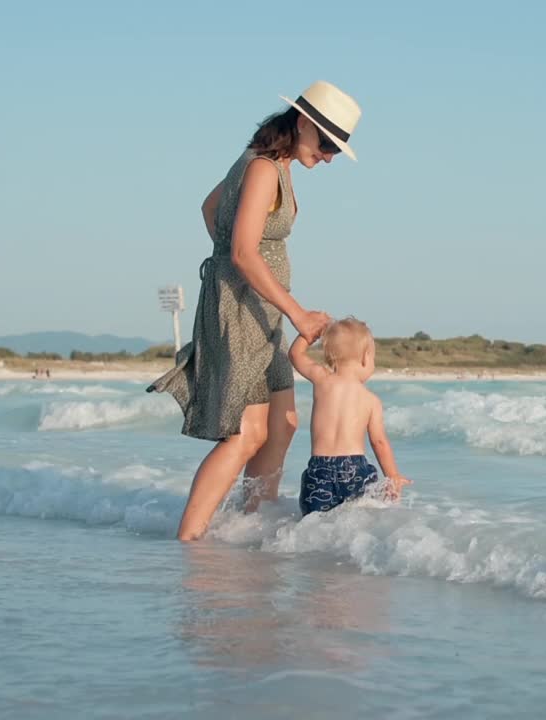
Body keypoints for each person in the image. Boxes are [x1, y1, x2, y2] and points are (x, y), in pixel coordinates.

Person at [149, 81, 363, 541]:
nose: (328, 156)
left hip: (261, 312)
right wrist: (296, 312)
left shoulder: (270, 166)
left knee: (282, 424)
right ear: (304, 123)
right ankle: (190, 542)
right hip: (245, 312)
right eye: (327, 144)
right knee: (245, 434)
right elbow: (246, 254)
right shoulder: (264, 168)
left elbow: (211, 208)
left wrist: (231, 256)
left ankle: (251, 525)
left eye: (335, 150)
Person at [288, 318, 410, 516]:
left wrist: (312, 330)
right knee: (358, 520)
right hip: (355, 470)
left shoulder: (322, 379)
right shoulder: (371, 400)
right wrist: (392, 476)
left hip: (318, 470)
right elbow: (379, 442)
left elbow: (295, 354)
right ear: (365, 358)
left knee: (314, 524)